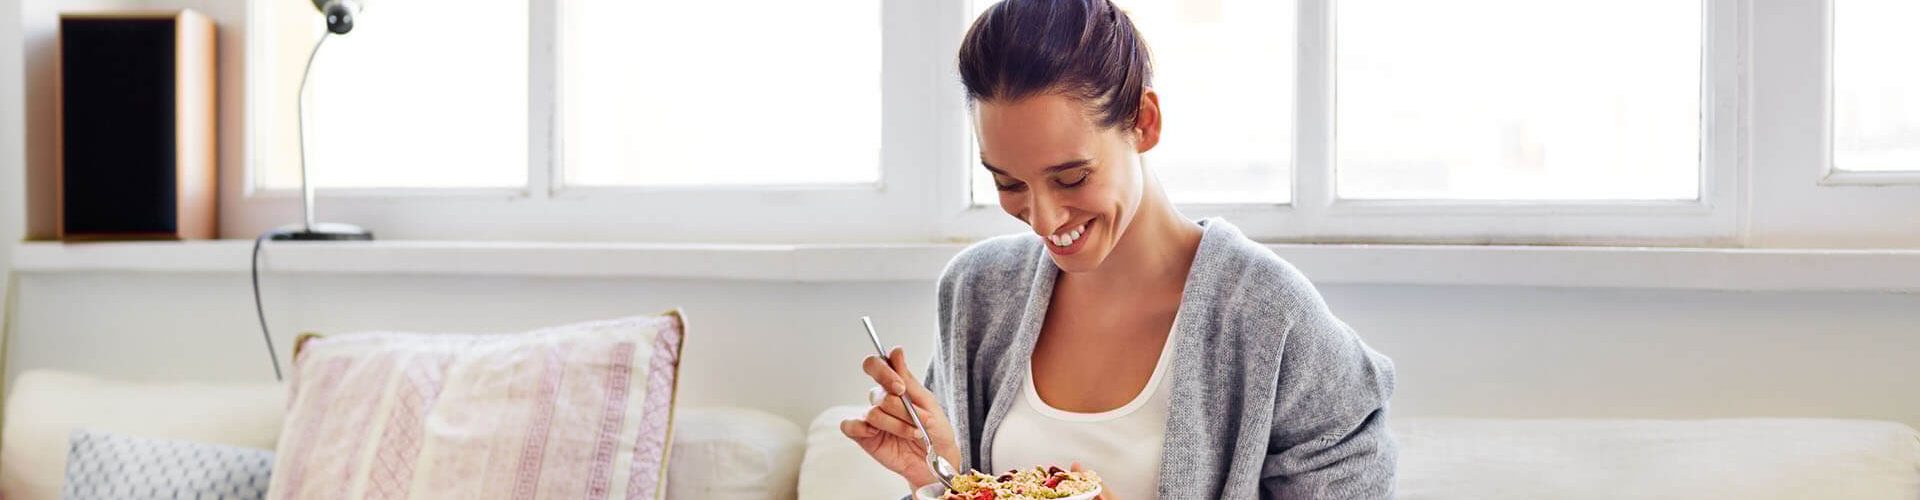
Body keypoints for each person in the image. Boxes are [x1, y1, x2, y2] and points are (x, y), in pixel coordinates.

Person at [841, 1, 1398, 498]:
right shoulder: (977, 293)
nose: (1043, 217)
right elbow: (968, 490)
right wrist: (941, 478)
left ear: (1144, 123)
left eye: (1072, 177)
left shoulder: (1273, 319)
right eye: (1008, 183)